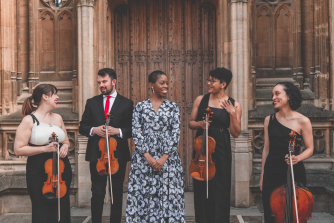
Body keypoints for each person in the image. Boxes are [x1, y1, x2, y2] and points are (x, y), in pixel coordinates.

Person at [125, 70, 185, 223]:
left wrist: (164, 157)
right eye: (162, 83)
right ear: (151, 85)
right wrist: (148, 156)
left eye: (167, 83)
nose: (166, 86)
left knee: (168, 193)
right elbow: (136, 132)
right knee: (144, 192)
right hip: (144, 158)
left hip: (168, 158)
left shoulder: (173, 107)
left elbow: (175, 132)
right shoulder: (140, 107)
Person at [79, 68, 133, 223]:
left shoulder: (127, 103)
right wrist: (93, 130)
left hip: (118, 155)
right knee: (97, 192)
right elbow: (82, 127)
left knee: (116, 192)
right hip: (97, 155)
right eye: (99, 82)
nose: (101, 85)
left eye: (104, 82)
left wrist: (117, 131)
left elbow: (132, 129)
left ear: (113, 82)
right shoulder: (91, 102)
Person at [189, 67, 241, 223]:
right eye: (209, 80)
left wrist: (232, 113)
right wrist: (199, 124)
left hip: (221, 149)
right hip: (201, 149)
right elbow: (191, 124)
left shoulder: (234, 104)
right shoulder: (201, 99)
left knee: (220, 188)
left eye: (213, 81)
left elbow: (236, 133)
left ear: (223, 84)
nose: (209, 83)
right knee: (201, 188)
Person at [14, 84, 72, 223]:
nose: (58, 97)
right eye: (55, 94)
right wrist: (44, 149)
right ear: (45, 97)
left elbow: (67, 141)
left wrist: (65, 146)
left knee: (62, 208)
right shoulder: (29, 120)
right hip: (39, 170)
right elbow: (18, 149)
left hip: (61, 168)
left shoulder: (58, 118)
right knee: (41, 209)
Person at [259, 82, 314, 223]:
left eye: (277, 93)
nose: (273, 98)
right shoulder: (268, 120)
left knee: (294, 212)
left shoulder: (303, 121)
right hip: (271, 171)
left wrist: (298, 158)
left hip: (293, 170)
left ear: (289, 96)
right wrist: (262, 176)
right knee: (272, 214)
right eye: (272, 95)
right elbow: (266, 149)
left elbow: (310, 148)